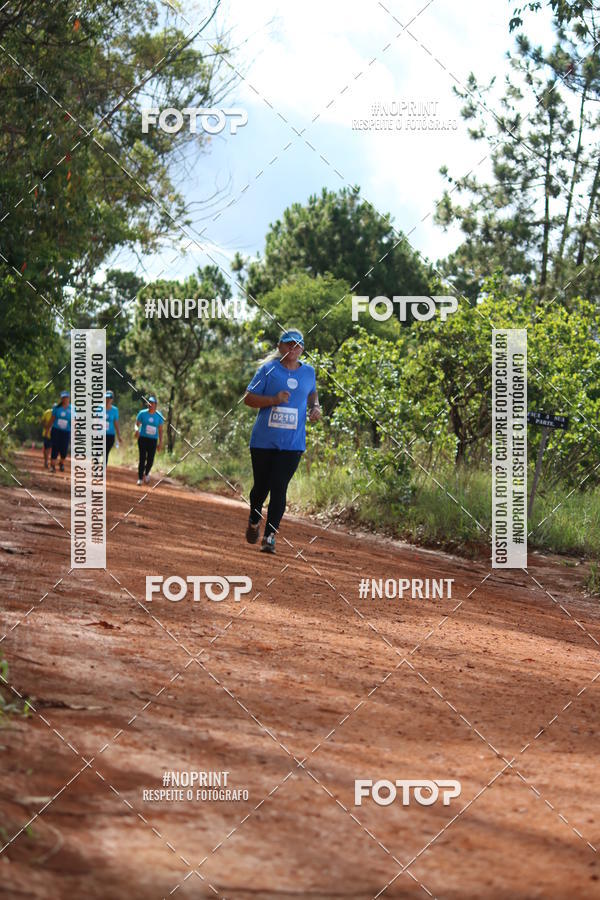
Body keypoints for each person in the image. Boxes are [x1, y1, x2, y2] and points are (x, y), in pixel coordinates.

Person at [244, 329, 321, 554]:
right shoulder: (268, 370)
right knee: (261, 488)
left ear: (302, 349)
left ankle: (269, 537)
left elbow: (312, 393)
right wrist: (273, 400)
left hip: (292, 444)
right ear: (280, 346)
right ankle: (253, 519)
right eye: (289, 344)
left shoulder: (308, 372)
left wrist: (315, 407)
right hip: (263, 442)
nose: (293, 349)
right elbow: (248, 398)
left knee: (279, 487)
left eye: (297, 345)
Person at [135, 395, 164, 485]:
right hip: (143, 438)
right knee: (142, 458)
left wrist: (160, 442)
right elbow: (137, 424)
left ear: (156, 404)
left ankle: (146, 474)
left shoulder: (159, 416)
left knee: (150, 459)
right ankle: (140, 478)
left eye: (152, 403)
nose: (150, 404)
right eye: (149, 402)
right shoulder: (142, 413)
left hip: (153, 440)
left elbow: (160, 430)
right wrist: (136, 430)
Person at [49, 391, 72, 473]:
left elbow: (74, 422)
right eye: (63, 398)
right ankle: (52, 466)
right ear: (61, 398)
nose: (65, 399)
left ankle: (61, 463)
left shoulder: (72, 409)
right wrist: (48, 429)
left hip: (66, 432)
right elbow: (52, 419)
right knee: (55, 447)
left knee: (64, 449)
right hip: (56, 430)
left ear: (69, 398)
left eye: (66, 398)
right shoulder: (56, 408)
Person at [102, 390, 121, 463]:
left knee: (105, 453)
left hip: (110, 435)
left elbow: (116, 423)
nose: (108, 400)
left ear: (112, 399)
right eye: (106, 398)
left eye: (109, 398)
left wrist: (119, 436)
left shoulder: (115, 410)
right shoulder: (99, 408)